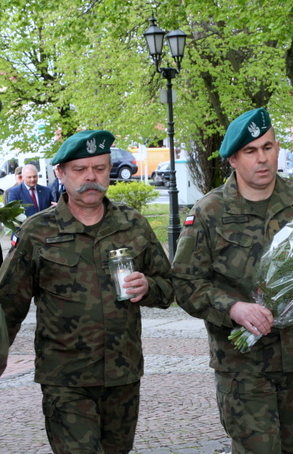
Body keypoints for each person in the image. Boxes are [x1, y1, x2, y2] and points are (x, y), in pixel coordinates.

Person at [171, 107, 293, 454]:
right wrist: (234, 309)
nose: (263, 159)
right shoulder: (210, 212)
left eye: (268, 147)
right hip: (242, 366)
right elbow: (185, 284)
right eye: (251, 151)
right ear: (232, 160)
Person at [0, 130, 174, 454]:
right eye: (80, 169)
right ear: (61, 174)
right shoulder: (37, 232)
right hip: (66, 380)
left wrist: (149, 287)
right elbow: (8, 303)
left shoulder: (133, 224)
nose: (90, 177)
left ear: (110, 170)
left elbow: (169, 287)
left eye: (99, 168)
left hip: (123, 376)